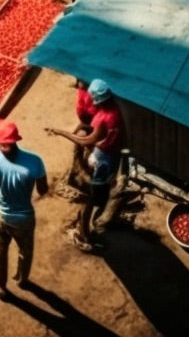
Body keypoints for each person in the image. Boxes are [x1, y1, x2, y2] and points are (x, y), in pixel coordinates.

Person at [46, 79, 126, 252]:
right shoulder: (115, 109)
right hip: (112, 152)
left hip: (104, 157)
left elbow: (85, 141)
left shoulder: (103, 118)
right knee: (104, 182)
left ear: (98, 101)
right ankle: (99, 200)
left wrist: (60, 132)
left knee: (91, 193)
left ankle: (86, 230)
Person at [0, 119, 49, 300]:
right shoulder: (34, 162)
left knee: (0, 251)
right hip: (24, 219)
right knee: (25, 251)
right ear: (16, 140)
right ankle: (22, 279)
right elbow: (42, 190)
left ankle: (1, 285)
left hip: (1, 216)